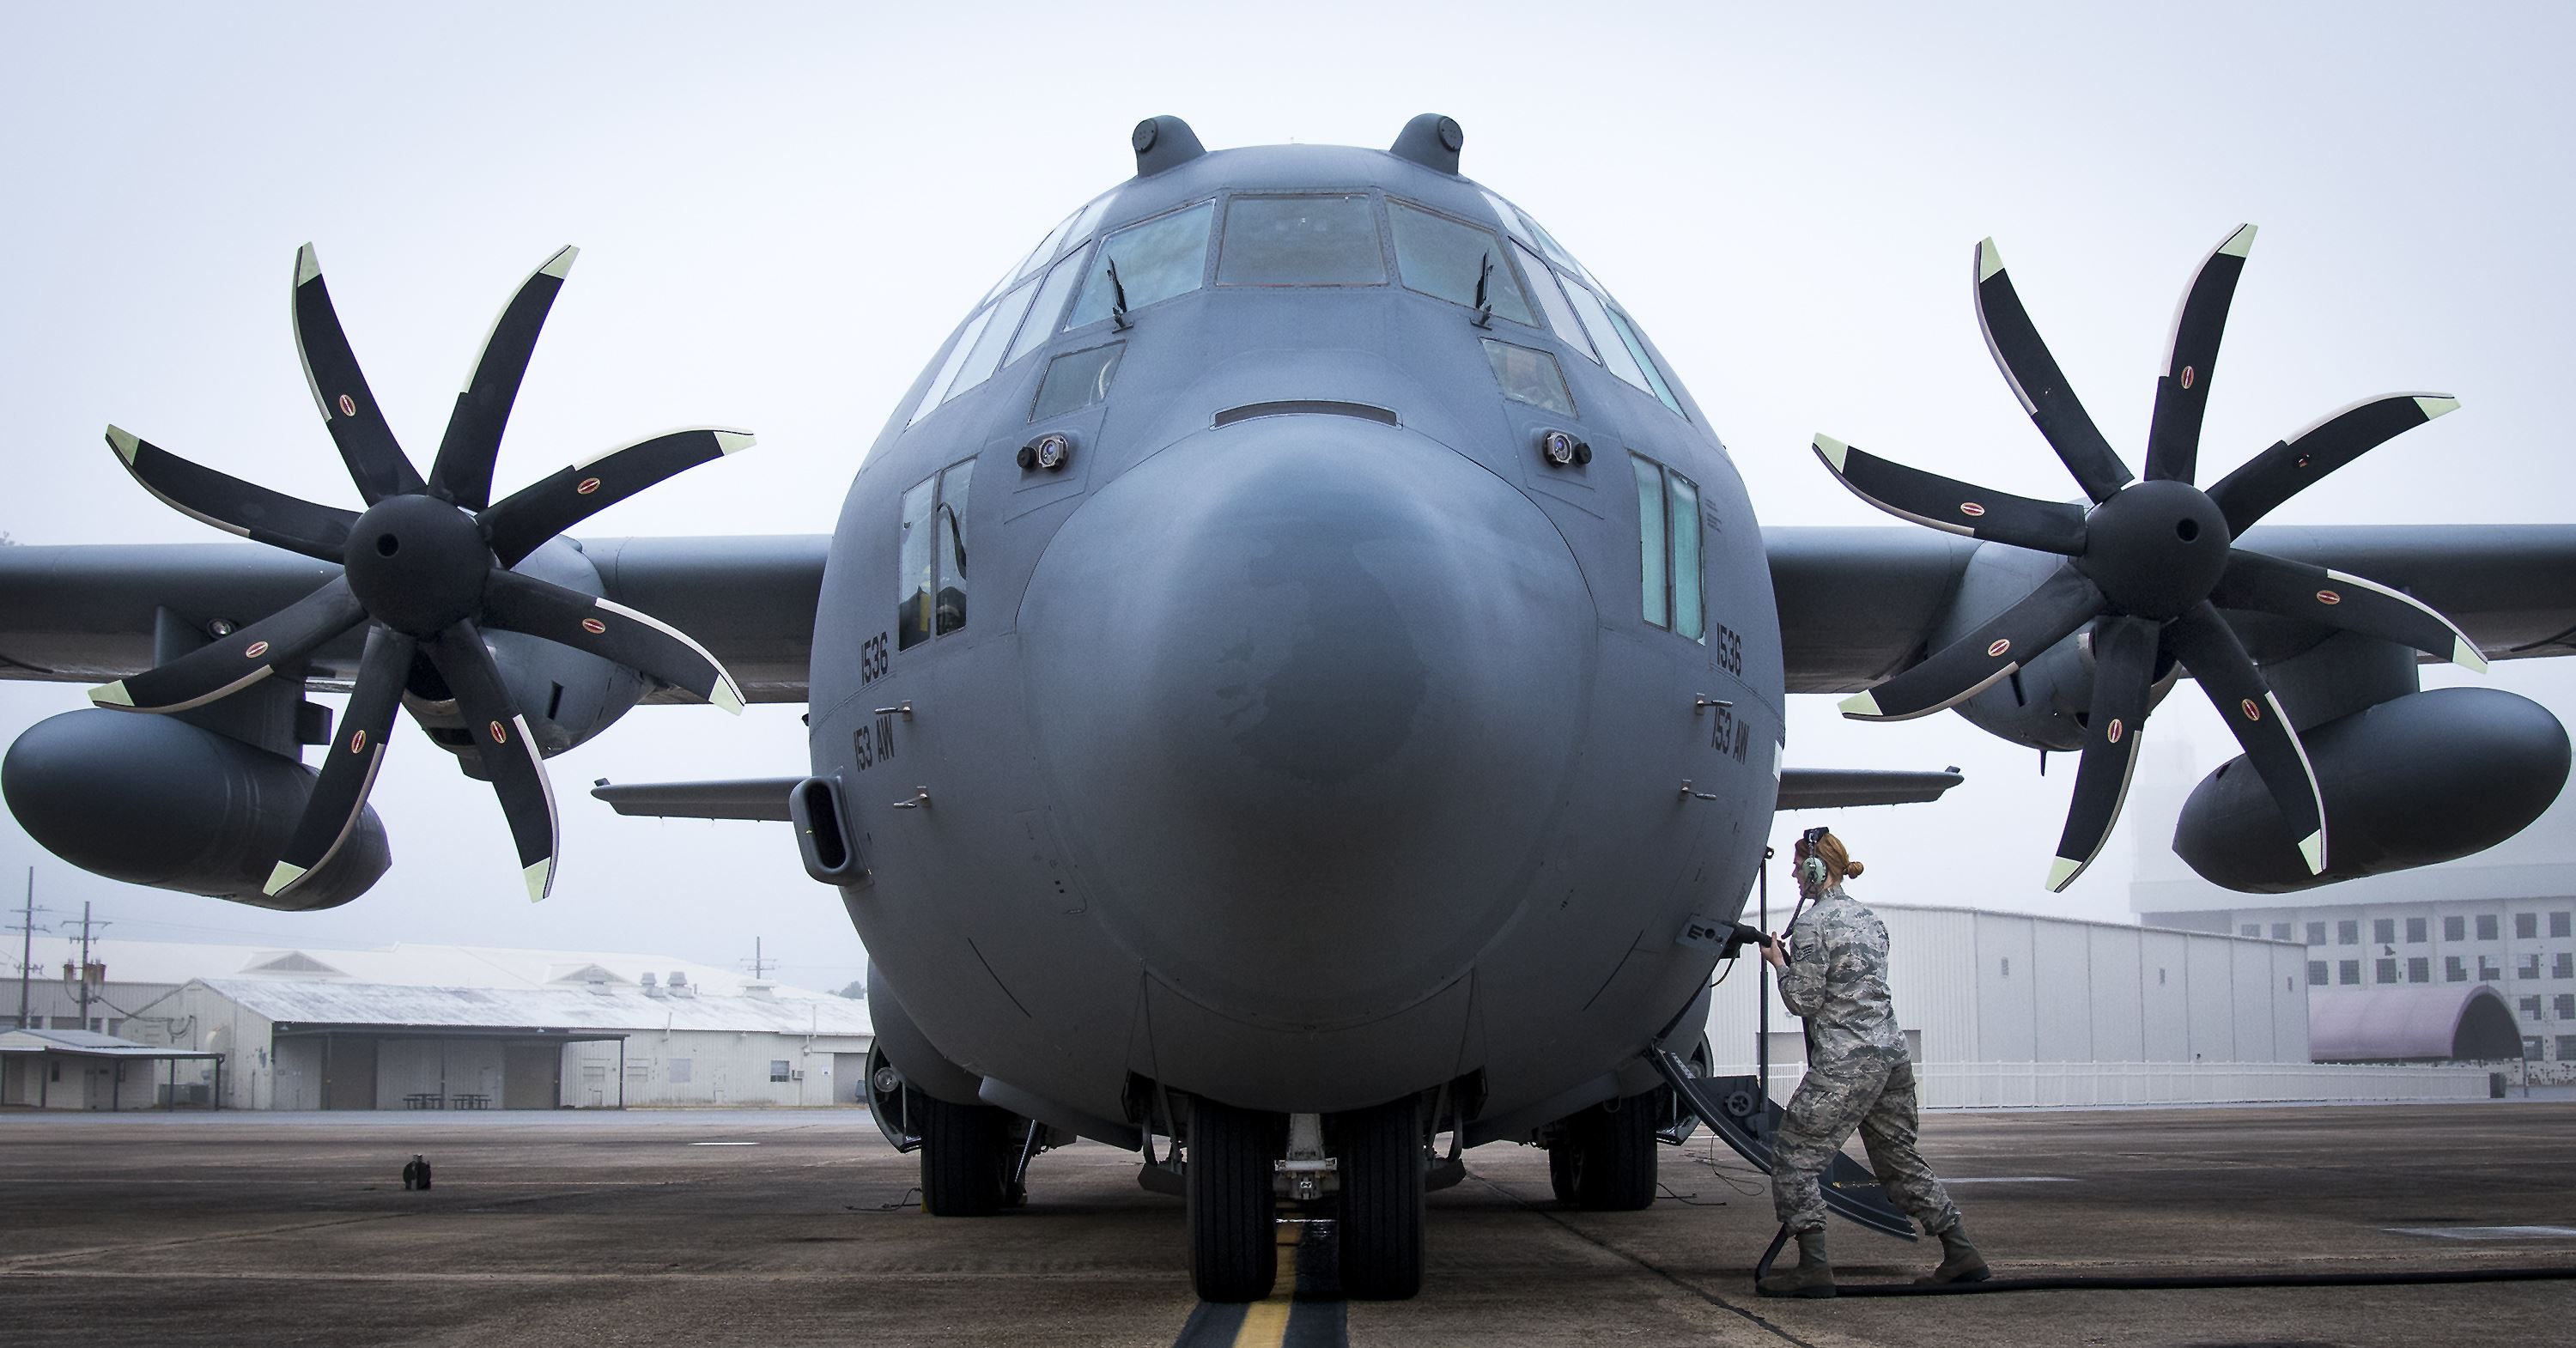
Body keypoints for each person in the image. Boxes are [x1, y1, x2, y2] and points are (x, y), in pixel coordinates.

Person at [1757, 829, 1986, 1296]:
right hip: (1891, 1057)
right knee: (1899, 1159)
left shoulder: (1812, 924)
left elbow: (1804, 999)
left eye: (1799, 865)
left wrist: (1779, 963)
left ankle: (1814, 1268)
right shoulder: (1870, 920)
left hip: (1847, 1062)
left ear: (1818, 869)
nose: (1794, 873)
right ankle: (1960, 1251)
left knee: (1794, 1158)